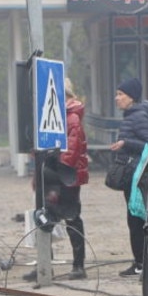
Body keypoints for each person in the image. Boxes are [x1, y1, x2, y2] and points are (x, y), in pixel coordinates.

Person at [25, 78, 89, 281]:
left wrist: (56, 168)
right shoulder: (56, 116)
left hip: (65, 177)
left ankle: (78, 265)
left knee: (71, 217)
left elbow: (72, 149)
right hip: (54, 175)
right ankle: (45, 263)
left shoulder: (71, 118)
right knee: (45, 217)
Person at [110, 77, 148, 276]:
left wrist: (126, 143)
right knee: (134, 219)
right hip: (130, 174)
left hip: (137, 175)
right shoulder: (130, 116)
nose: (116, 98)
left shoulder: (138, 117)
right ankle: (139, 261)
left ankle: (141, 263)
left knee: (136, 219)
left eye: (121, 94)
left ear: (132, 98)